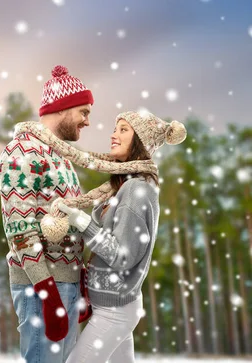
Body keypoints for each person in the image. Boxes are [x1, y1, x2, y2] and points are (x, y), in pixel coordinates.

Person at [0, 66, 157, 363]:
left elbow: (69, 223)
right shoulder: (22, 152)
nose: (87, 121)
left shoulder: (61, 158)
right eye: (83, 112)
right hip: (41, 286)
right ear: (62, 108)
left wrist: (79, 280)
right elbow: (19, 230)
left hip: (66, 285)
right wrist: (46, 290)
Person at [48, 111, 187, 363]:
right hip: (113, 305)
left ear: (140, 142)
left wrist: (81, 221)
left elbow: (122, 256)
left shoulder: (136, 189)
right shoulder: (124, 183)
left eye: (124, 129)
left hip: (115, 311)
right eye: (115, 128)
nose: (114, 134)